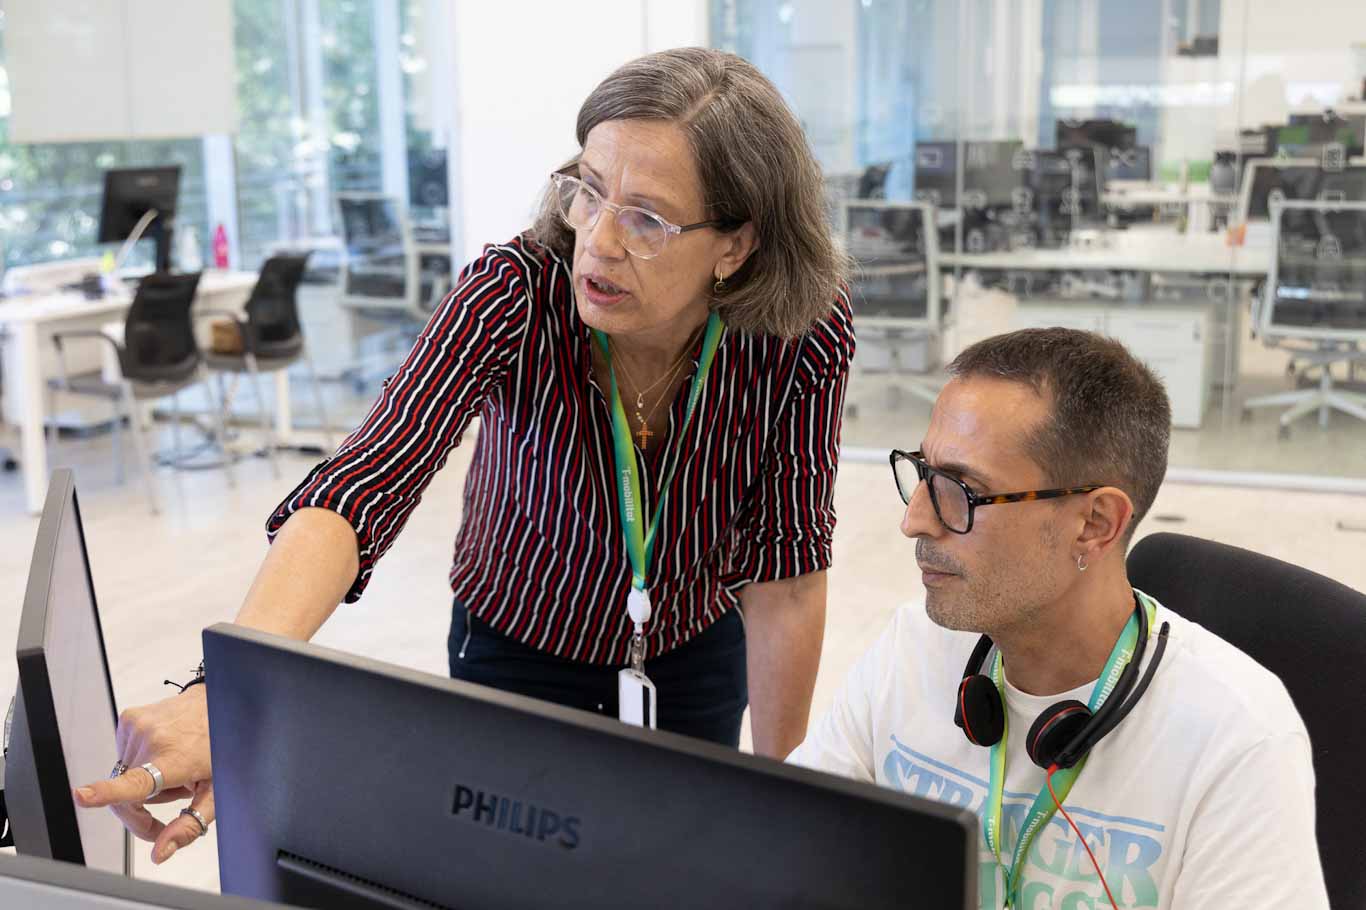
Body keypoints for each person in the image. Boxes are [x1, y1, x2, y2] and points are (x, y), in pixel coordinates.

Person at [75, 48, 854, 865]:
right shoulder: (513, 293)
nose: (599, 241)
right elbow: (363, 483)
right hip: (515, 647)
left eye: (647, 219)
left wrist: (784, 806)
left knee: (683, 868)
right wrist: (227, 688)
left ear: (735, 245)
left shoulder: (801, 330)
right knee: (512, 878)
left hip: (695, 650)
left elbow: (788, 571)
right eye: (589, 190)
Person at [789, 328, 1328, 909]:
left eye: (961, 490)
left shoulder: (1238, 739)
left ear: (1095, 523)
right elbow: (782, 853)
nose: (916, 521)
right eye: (923, 474)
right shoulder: (912, 648)